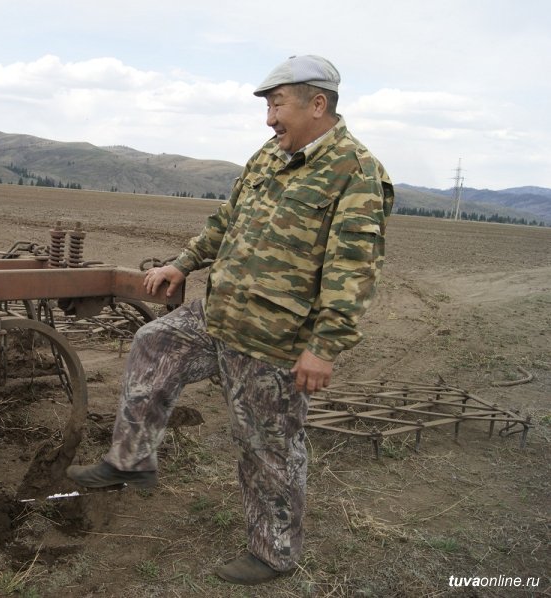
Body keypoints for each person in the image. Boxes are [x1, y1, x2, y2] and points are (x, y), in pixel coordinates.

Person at [66, 55, 394, 586]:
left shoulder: (355, 173)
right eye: (268, 107)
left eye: (277, 105)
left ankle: (274, 553)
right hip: (219, 315)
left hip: (274, 338)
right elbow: (226, 220)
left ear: (317, 104)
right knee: (154, 342)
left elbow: (353, 271)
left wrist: (324, 346)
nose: (269, 118)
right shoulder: (269, 155)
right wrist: (183, 263)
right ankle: (131, 459)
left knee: (267, 446)